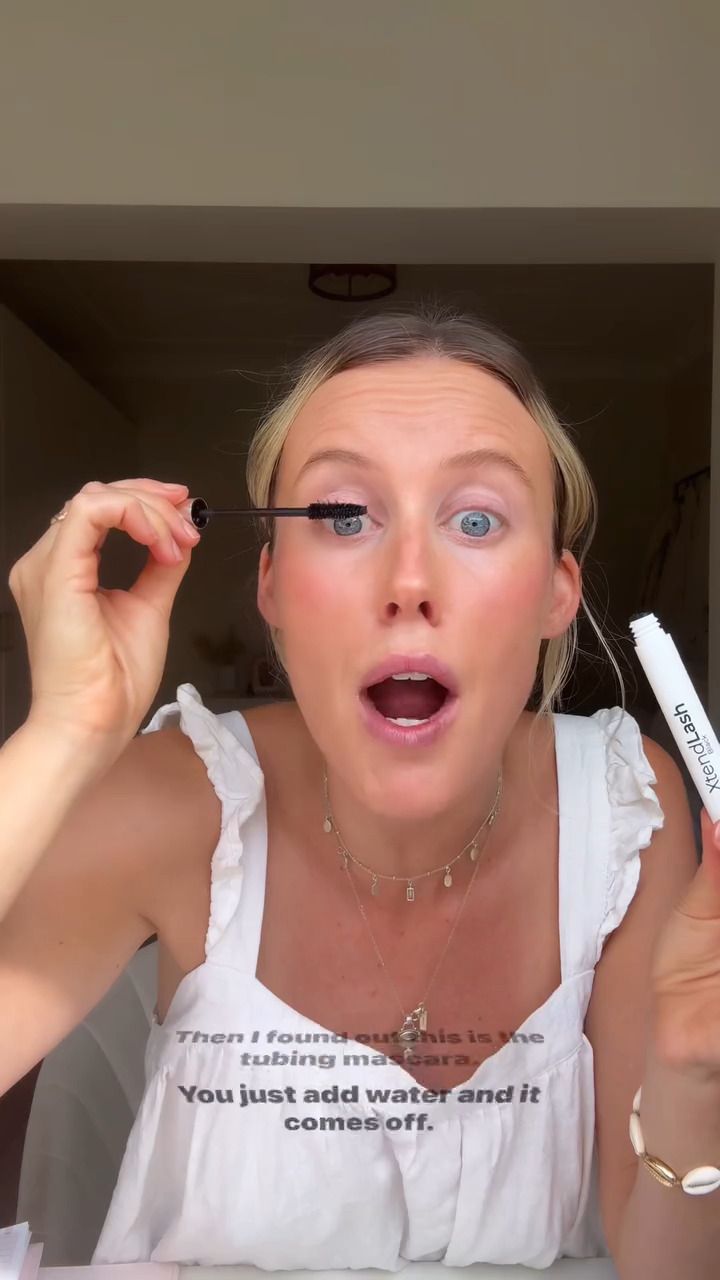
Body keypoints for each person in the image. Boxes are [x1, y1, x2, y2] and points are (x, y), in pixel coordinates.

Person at [1, 307, 715, 1273]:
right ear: (272, 586)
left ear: (558, 592)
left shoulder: (630, 811)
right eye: (343, 517)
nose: (409, 580)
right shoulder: (180, 799)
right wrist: (63, 733)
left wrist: (694, 1075)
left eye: (475, 520)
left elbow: (670, 1263)